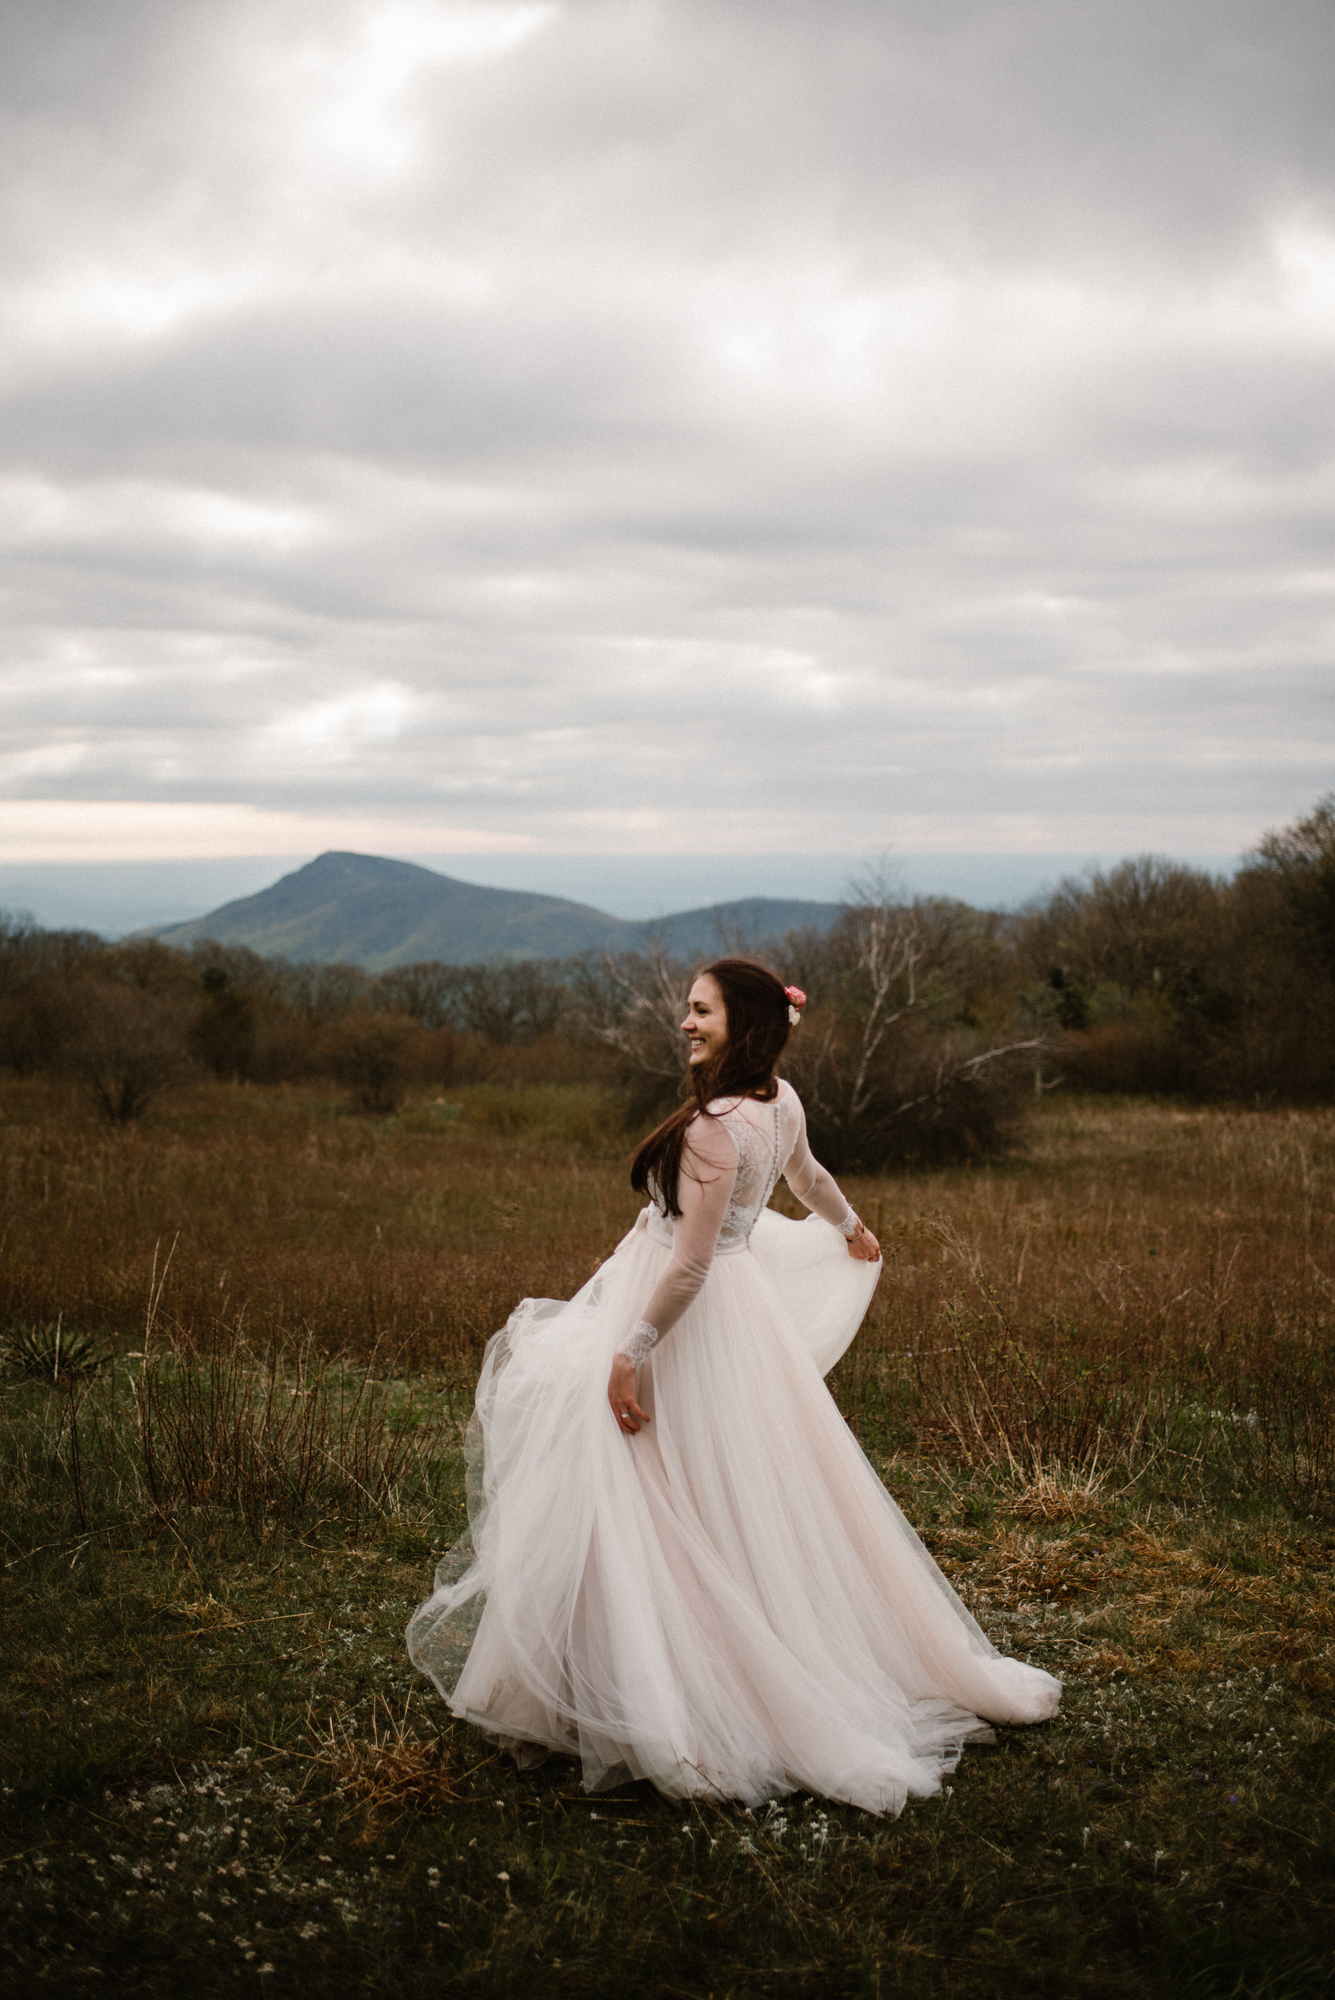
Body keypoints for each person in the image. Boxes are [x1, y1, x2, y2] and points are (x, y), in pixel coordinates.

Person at [407, 959, 1060, 1813]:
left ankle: (677, 1691)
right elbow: (810, 1180)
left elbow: (686, 1267)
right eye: (688, 1009)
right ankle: (615, 1670)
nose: (685, 1022)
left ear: (742, 1022)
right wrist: (851, 1226)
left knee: (640, 1483)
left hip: (686, 1322)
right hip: (736, 1314)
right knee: (715, 1485)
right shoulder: (776, 1102)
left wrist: (629, 1353)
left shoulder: (715, 1129)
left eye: (700, 1010)